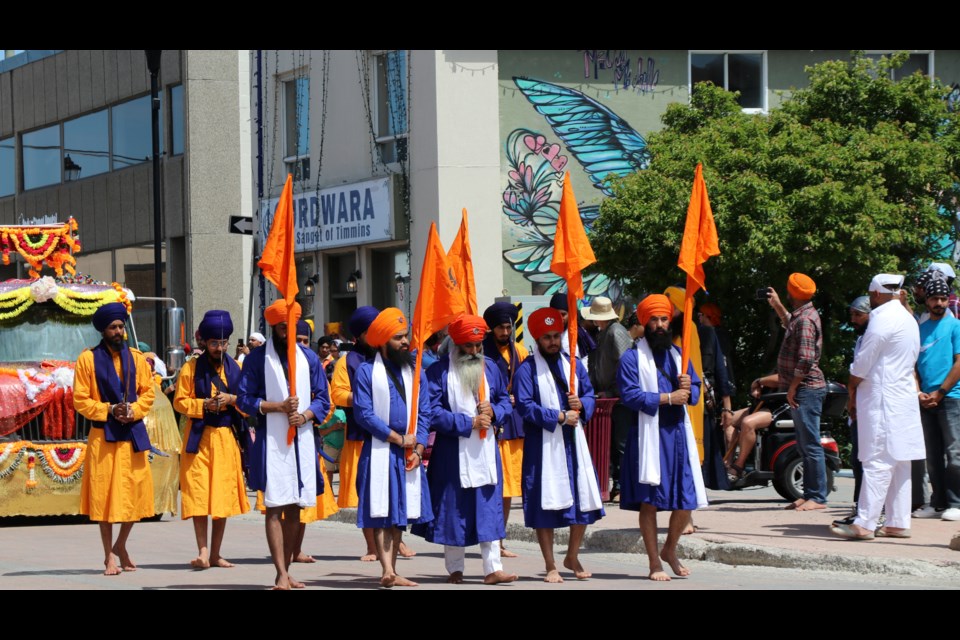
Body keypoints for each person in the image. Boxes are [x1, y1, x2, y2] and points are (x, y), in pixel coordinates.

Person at [413, 315, 518, 584]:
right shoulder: (437, 373)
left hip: (485, 448)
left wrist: (495, 411)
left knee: (488, 506)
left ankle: (493, 568)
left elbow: (505, 400)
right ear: (456, 345)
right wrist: (468, 422)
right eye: (468, 347)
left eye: (477, 346)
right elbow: (432, 412)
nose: (473, 352)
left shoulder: (491, 368)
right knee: (453, 508)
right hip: (451, 451)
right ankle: (455, 568)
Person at [236, 300, 330, 590]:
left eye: (291, 327)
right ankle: (279, 573)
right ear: (273, 328)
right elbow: (243, 399)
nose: (286, 332)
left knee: (296, 509)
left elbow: (323, 399)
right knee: (275, 505)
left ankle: (287, 570)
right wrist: (276, 406)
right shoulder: (255, 360)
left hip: (302, 440)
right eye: (281, 327)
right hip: (272, 441)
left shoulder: (309, 358)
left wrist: (305, 415)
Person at [616, 295, 707, 581]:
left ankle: (670, 549)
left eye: (663, 319)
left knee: (687, 501)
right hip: (647, 438)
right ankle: (654, 562)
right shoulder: (632, 358)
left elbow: (694, 390)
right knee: (650, 502)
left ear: (670, 322)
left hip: (678, 435)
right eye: (653, 320)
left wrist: (688, 388)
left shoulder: (681, 355)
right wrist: (669, 397)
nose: (659, 325)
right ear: (644, 323)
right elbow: (630, 396)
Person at [832, 274, 925, 539]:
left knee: (877, 460)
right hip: (902, 398)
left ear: (874, 294)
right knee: (899, 461)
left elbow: (862, 365)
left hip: (882, 399)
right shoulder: (908, 318)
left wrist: (850, 389)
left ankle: (865, 523)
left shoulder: (882, 319)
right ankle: (897, 522)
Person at [515, 307, 604, 583]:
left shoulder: (572, 363)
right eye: (547, 337)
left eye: (557, 335)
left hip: (575, 443)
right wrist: (559, 416)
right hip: (544, 447)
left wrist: (583, 405)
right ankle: (550, 563)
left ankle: (572, 554)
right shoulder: (526, 370)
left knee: (583, 501)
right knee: (545, 506)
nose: (553, 341)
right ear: (537, 340)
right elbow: (525, 406)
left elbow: (589, 393)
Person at [74, 302, 156, 576]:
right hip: (103, 437)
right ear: (103, 330)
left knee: (135, 495)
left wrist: (134, 410)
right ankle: (109, 556)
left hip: (132, 434)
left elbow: (148, 393)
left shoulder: (136, 358)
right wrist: (108, 409)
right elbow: (80, 400)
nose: (119, 331)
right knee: (104, 499)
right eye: (114, 327)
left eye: (122, 326)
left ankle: (121, 544)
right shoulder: (87, 359)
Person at [352, 307, 432, 587]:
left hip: (409, 453)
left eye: (406, 336)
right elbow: (363, 413)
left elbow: (424, 412)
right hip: (380, 449)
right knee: (382, 511)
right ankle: (386, 570)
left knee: (400, 513)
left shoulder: (416, 370)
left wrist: (419, 447)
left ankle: (393, 570)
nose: (405, 342)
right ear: (384, 341)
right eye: (398, 337)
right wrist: (397, 439)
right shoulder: (365, 371)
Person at [174, 310, 251, 569]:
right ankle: (203, 552)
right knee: (197, 495)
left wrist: (231, 400)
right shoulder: (191, 367)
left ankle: (216, 553)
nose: (219, 348)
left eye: (223, 343)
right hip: (198, 439)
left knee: (220, 497)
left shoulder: (236, 368)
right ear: (204, 343)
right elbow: (180, 402)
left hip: (226, 439)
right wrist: (204, 404)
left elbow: (246, 403)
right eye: (214, 343)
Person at [762, 273, 828, 511]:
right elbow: (791, 323)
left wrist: (791, 387)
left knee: (810, 444)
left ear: (793, 293)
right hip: (803, 389)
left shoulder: (805, 320)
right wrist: (778, 306)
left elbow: (806, 359)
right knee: (803, 444)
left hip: (806, 389)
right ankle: (810, 493)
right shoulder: (802, 316)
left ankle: (818, 497)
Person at [330, 305, 387, 561]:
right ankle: (372, 547)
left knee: (389, 489)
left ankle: (394, 542)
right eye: (371, 331)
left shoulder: (388, 355)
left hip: (387, 434)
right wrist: (365, 398)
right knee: (365, 491)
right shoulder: (346, 361)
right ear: (359, 335)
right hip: (359, 436)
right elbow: (338, 394)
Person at [482, 301, 528, 557]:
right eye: (500, 328)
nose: (505, 332)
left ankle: (500, 540)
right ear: (491, 329)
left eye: (508, 327)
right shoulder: (482, 352)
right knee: (493, 484)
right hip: (490, 422)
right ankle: (489, 538)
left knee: (509, 486)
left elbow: (525, 381)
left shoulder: (519, 351)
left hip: (513, 424)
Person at [914, 276, 960, 522]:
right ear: (927, 300)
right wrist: (919, 392)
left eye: (943, 298)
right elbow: (912, 366)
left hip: (951, 397)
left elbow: (959, 362)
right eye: (934, 298)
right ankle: (938, 502)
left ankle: (956, 503)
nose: (939, 303)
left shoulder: (955, 326)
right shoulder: (919, 330)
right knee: (932, 455)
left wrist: (940, 392)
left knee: (954, 453)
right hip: (925, 399)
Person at [583, 295, 634, 502]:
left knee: (621, 443)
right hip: (608, 395)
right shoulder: (604, 333)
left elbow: (625, 365)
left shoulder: (615, 332)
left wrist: (613, 392)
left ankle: (622, 486)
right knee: (612, 444)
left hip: (619, 398)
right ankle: (615, 485)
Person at [832, 296, 871, 526]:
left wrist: (853, 397)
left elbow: (859, 375)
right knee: (857, 460)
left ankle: (870, 512)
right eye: (852, 315)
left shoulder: (873, 337)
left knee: (867, 461)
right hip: (859, 407)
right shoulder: (860, 339)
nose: (853, 319)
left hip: (869, 406)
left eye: (858, 315)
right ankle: (859, 508)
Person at [549, 292, 596, 364]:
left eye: (563, 314)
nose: (560, 318)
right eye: (556, 315)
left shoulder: (578, 334)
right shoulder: (545, 336)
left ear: (570, 314)